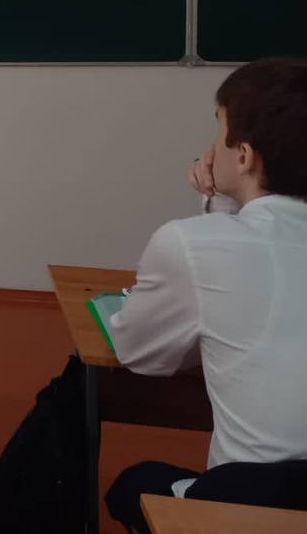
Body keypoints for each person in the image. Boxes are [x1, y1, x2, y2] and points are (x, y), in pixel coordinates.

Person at [104, 58, 307, 532]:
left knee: (132, 484)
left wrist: (216, 204)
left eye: (219, 131)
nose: (211, 149)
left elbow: (140, 353)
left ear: (244, 155)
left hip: (249, 503)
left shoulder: (189, 244)